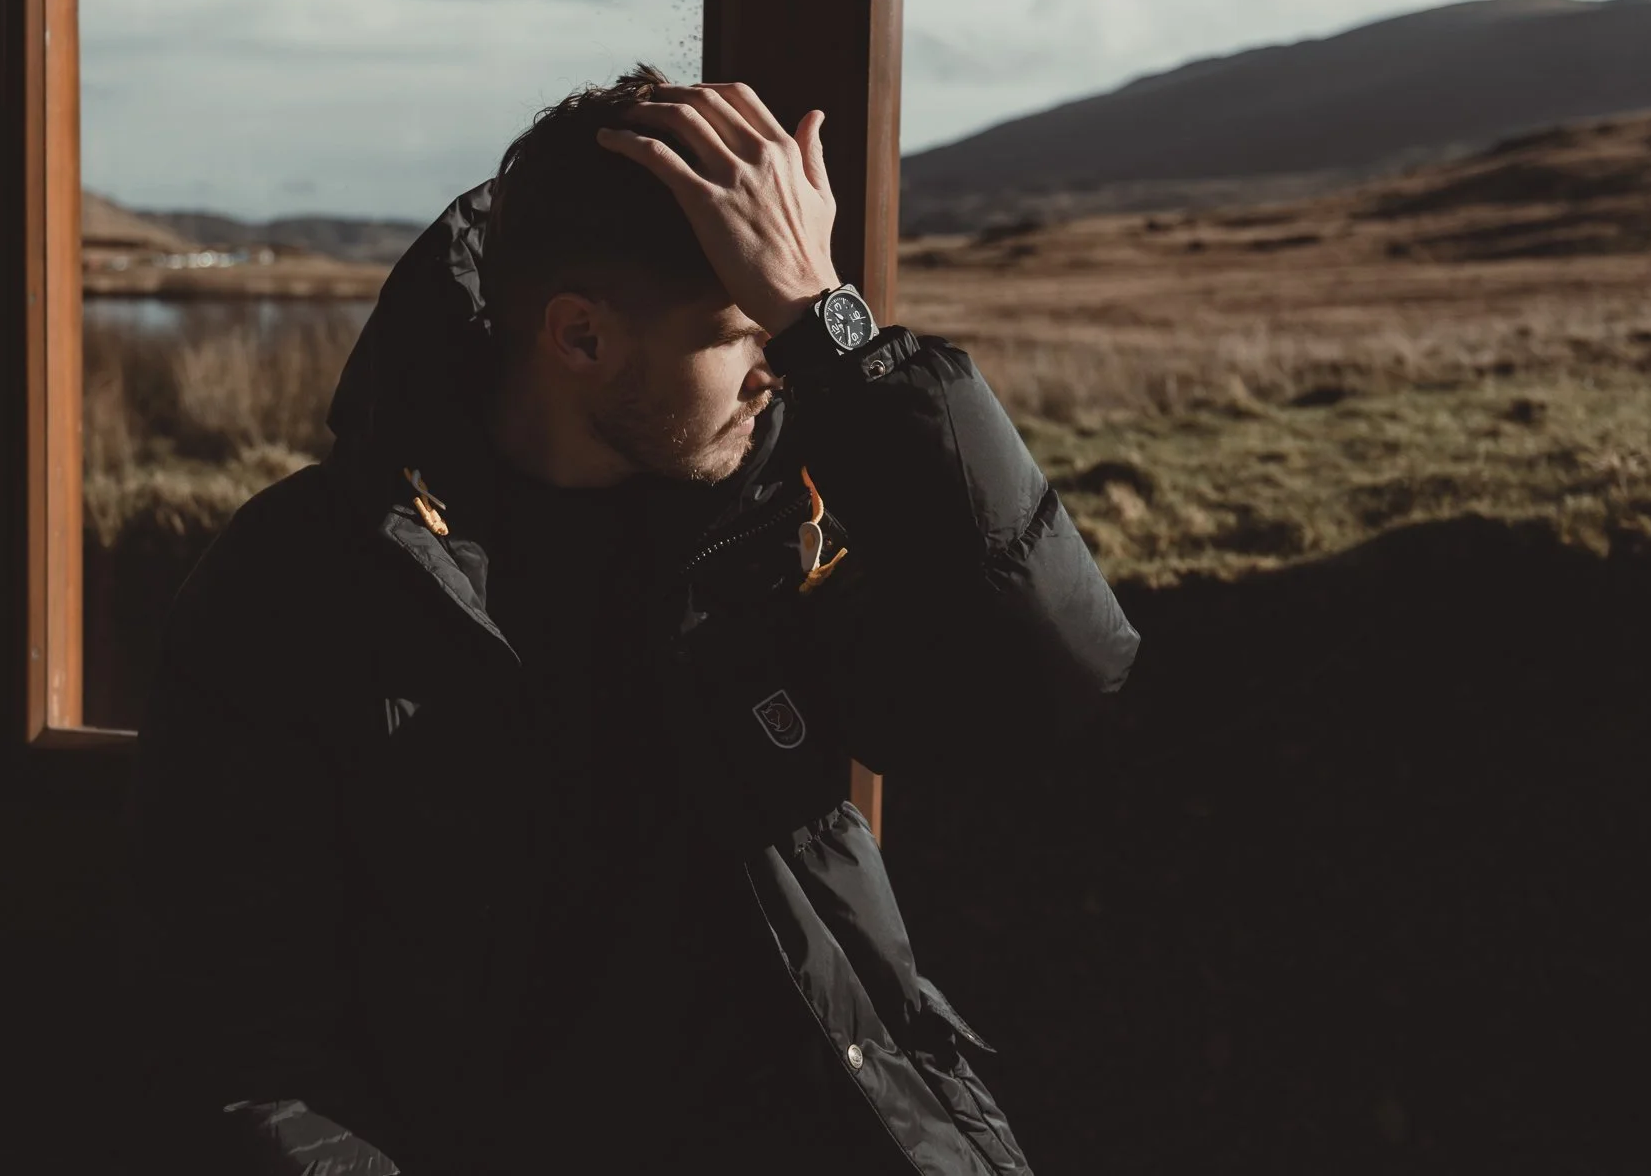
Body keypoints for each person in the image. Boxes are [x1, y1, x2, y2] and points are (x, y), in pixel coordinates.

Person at [127, 67, 1140, 1175]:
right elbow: (245, 1047)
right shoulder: (305, 581)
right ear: (580, 336)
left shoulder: (768, 530)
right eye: (744, 334)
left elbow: (1050, 673)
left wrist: (830, 323)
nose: (776, 378)